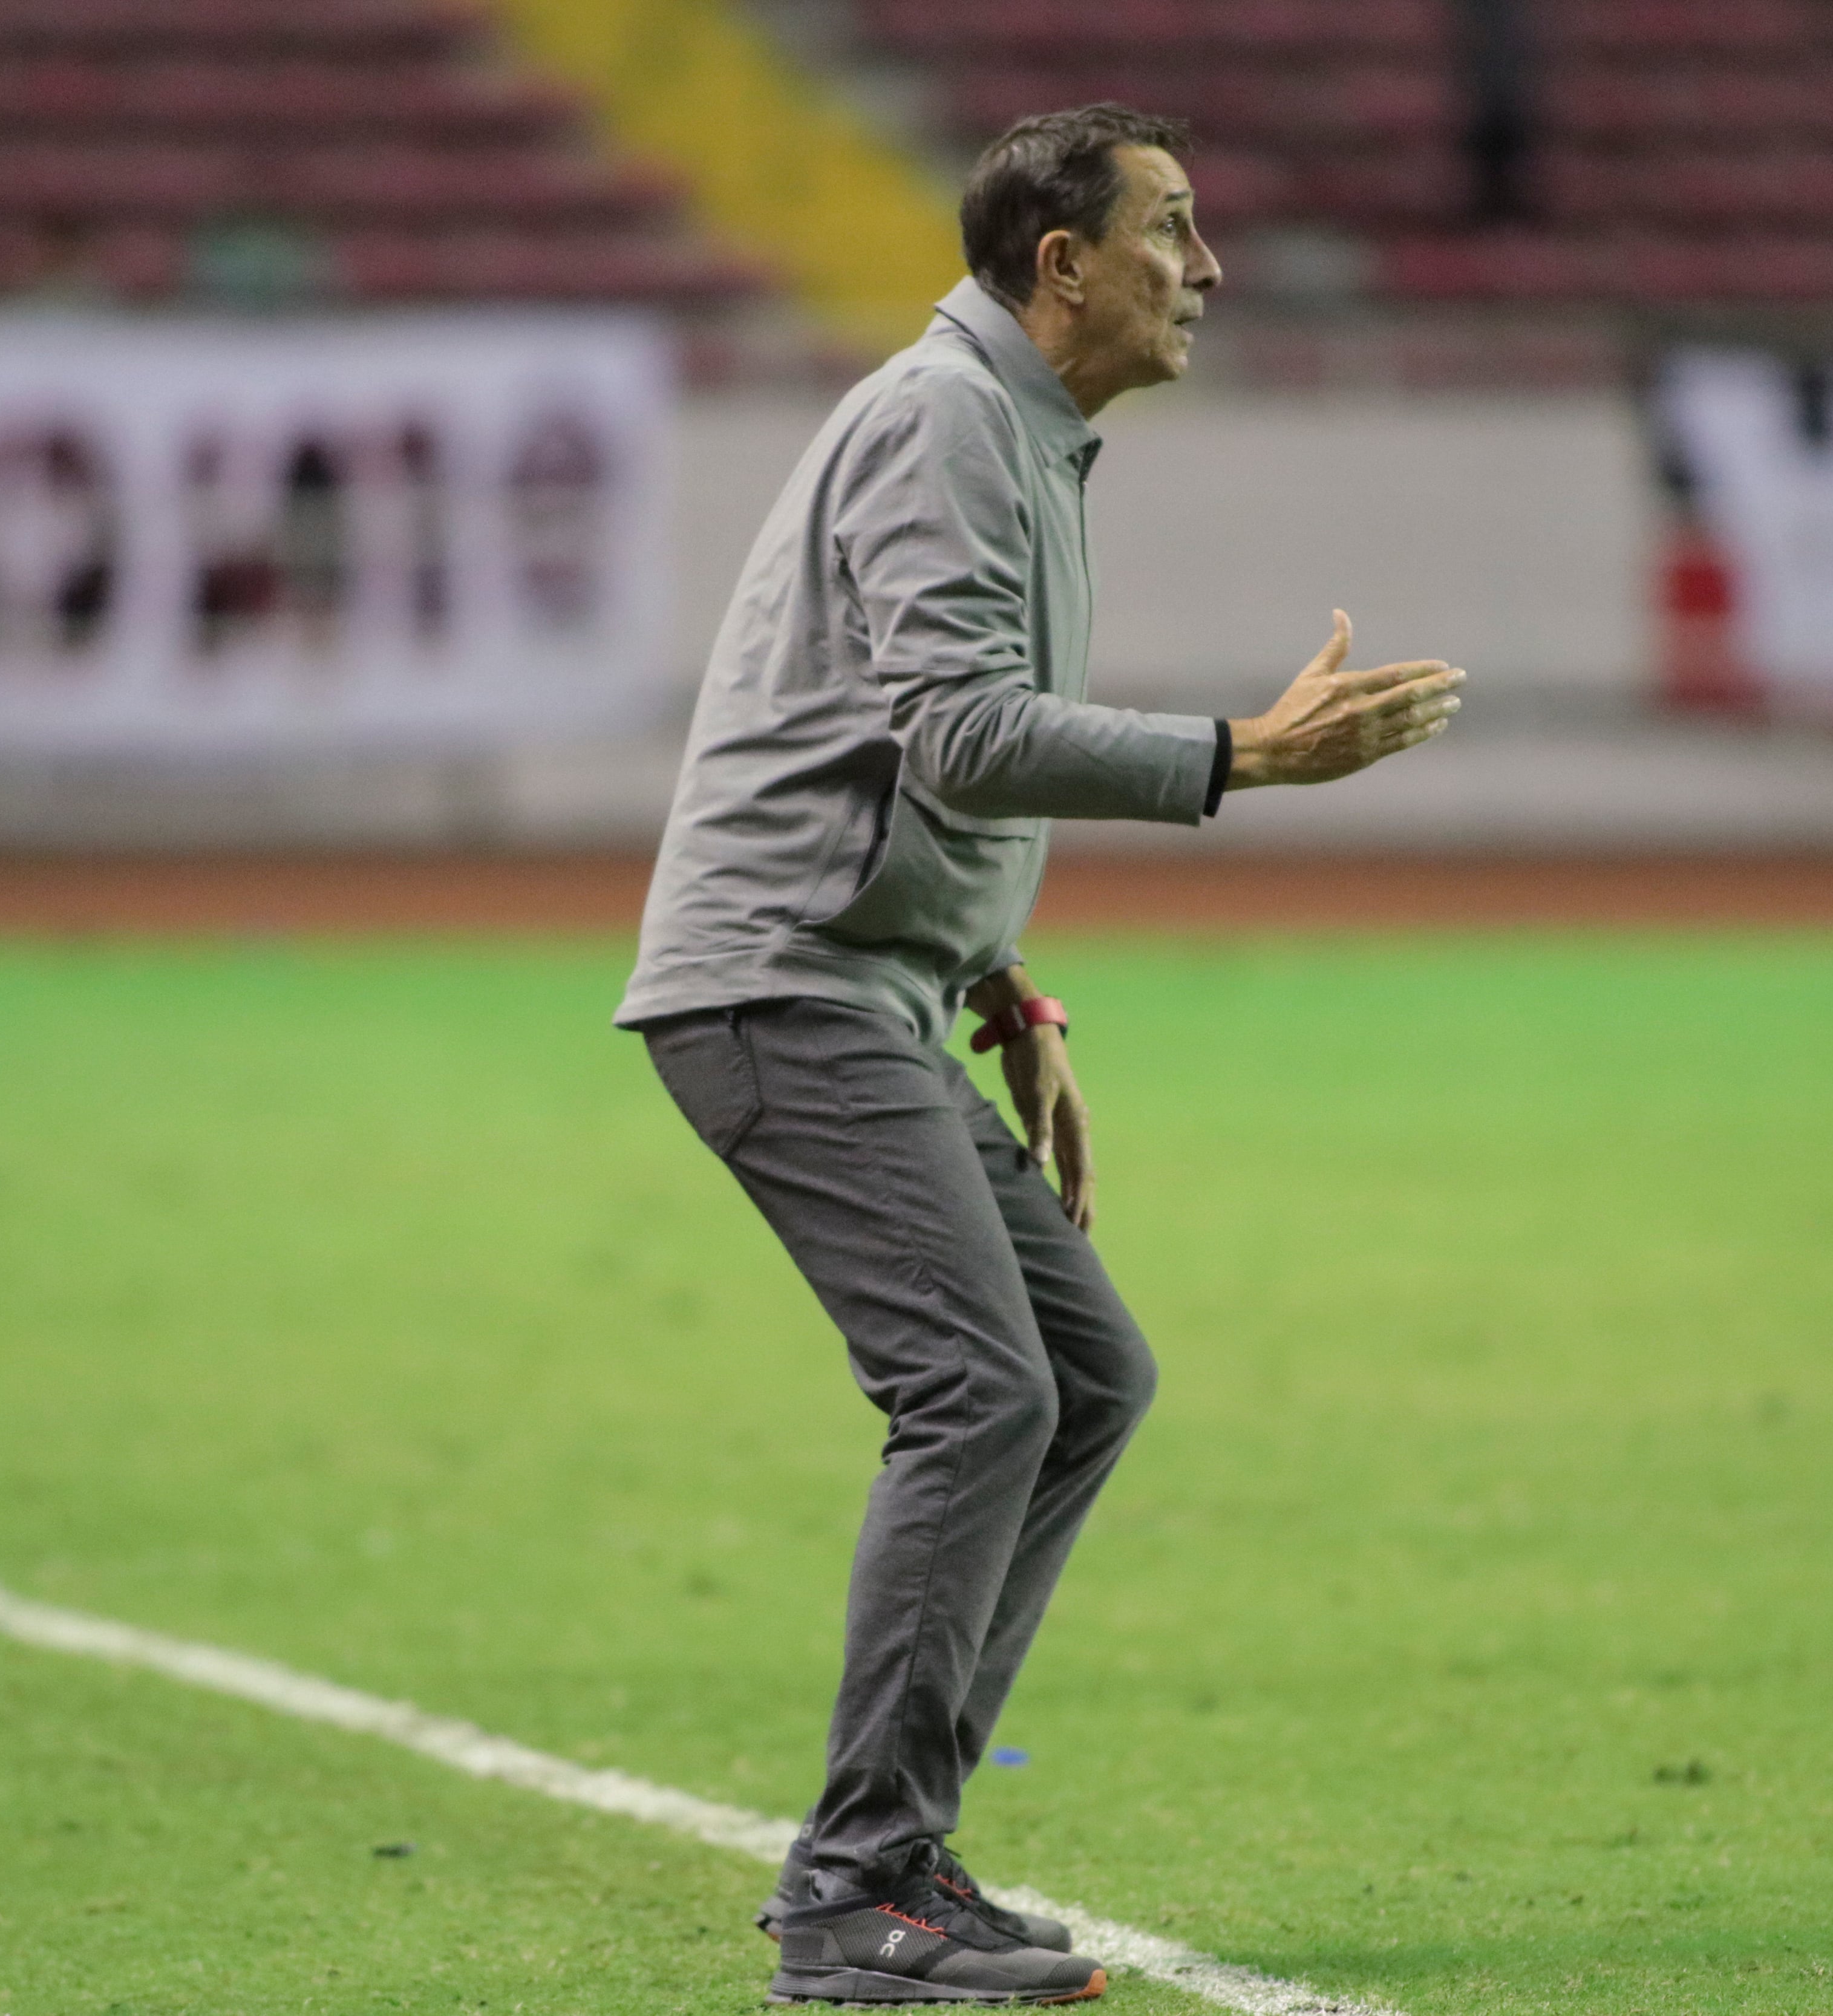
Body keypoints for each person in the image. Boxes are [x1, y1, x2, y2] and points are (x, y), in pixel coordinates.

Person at [616, 105, 1466, 2008]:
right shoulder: (947, 419)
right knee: (985, 1389)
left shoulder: (1008, 427)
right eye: (1174, 226)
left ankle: (897, 1852)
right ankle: (854, 1894)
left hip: (867, 984)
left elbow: (912, 744)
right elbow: (957, 729)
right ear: (1060, 263)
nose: (1209, 266)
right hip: (785, 984)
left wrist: (1006, 991)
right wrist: (1238, 756)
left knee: (1083, 1376)